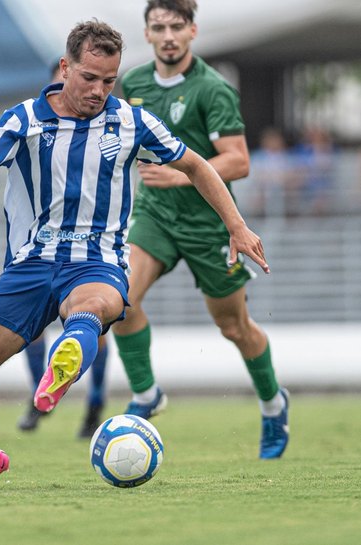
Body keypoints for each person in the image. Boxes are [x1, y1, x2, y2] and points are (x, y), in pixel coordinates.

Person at [0, 19, 270, 491]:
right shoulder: (25, 119)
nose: (99, 90)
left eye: (109, 81)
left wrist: (237, 226)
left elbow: (197, 164)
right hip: (31, 264)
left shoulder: (131, 121)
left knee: (93, 306)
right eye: (89, 78)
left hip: (97, 261)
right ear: (65, 67)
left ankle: (71, 348)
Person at [112, 0, 289, 460]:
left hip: (210, 225)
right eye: (159, 27)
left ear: (192, 31)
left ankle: (273, 404)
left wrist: (181, 173)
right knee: (118, 299)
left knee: (233, 326)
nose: (168, 35)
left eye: (176, 26)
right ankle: (147, 394)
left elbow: (239, 160)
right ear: (147, 33)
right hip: (154, 216)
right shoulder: (131, 83)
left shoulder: (212, 89)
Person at [16, 59, 110, 438]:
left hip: (92, 248)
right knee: (32, 330)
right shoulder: (33, 123)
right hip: (37, 247)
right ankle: (41, 393)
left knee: (94, 324)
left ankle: (95, 403)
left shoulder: (110, 125)